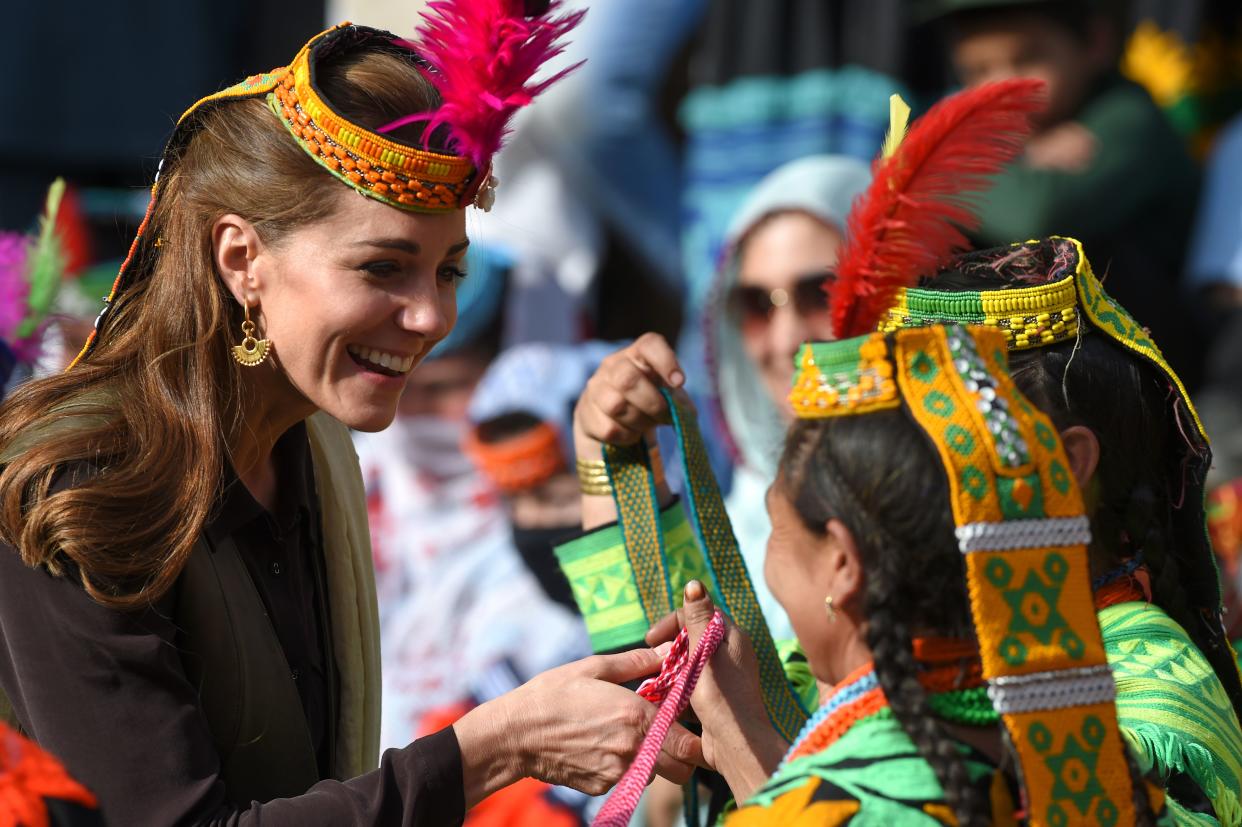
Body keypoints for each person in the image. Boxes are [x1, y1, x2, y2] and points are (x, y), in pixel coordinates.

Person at [0, 12, 702, 826]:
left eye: (447, 271)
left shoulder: (310, 437)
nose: (430, 317)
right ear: (241, 260)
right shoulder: (78, 484)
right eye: (383, 268)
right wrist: (489, 750)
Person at [881, 236, 1242, 822]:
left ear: (1068, 464)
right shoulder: (902, 634)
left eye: (934, 437)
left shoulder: (1152, 685)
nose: (882, 474)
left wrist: (750, 752)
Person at [926, 0, 1202, 384]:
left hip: (1142, 372)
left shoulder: (1129, 118)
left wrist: (937, 167)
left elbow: (1034, 213)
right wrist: (1020, 154)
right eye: (978, 70)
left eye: (1029, 59)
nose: (1005, 87)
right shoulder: (1012, 128)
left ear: (1096, 42)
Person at [706, 154, 871, 640]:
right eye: (758, 304)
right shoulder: (738, 523)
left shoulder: (947, 493)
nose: (785, 341)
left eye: (820, 292)